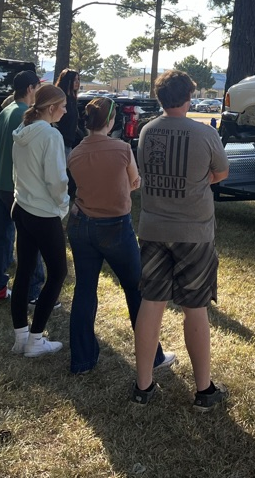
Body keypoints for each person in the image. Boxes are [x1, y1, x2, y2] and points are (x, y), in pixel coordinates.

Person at [132, 69, 229, 410]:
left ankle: (143, 386)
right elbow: (221, 172)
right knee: (195, 308)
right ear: (189, 98)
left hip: (153, 229)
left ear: (160, 98)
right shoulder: (204, 134)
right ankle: (204, 390)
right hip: (194, 233)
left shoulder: (147, 131)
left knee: (151, 304)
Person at [67, 97, 175, 375]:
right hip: (114, 226)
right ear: (111, 121)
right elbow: (134, 182)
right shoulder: (122, 149)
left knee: (84, 290)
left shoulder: (76, 153)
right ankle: (153, 356)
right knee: (136, 289)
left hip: (80, 224)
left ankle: (82, 360)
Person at [10, 83, 70, 357]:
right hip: (43, 213)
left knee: (24, 271)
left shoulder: (23, 130)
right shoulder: (50, 135)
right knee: (58, 273)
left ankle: (21, 336)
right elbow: (56, 179)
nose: (65, 111)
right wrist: (64, 204)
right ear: (51, 108)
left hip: (22, 206)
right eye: (63, 106)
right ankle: (35, 340)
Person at [0, 70, 45, 303]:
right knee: (31, 238)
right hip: (16, 184)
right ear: (31, 88)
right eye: (38, 87)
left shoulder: (5, 111)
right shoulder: (24, 114)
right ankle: (33, 292)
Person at [55, 68, 82, 197]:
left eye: (78, 80)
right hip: (61, 140)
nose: (77, 83)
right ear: (67, 81)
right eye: (74, 80)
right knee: (63, 170)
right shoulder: (60, 98)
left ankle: (69, 193)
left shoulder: (72, 98)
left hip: (70, 140)